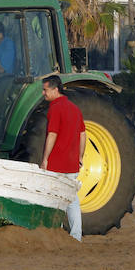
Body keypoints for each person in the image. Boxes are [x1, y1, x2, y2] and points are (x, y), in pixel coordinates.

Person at [40, 75, 86, 241]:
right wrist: (80, 156)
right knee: (72, 200)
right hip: (72, 164)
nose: (43, 93)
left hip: (56, 163)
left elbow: (52, 134)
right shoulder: (75, 108)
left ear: (55, 89)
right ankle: (76, 236)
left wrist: (45, 159)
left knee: (54, 199)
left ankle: (56, 233)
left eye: (45, 90)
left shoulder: (55, 108)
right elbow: (83, 134)